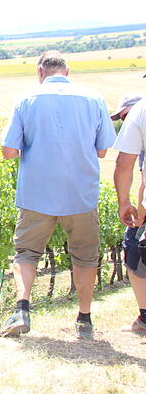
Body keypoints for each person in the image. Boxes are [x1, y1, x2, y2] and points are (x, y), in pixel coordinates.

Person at [0, 52, 116, 339]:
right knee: (86, 257)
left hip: (37, 194)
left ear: (40, 72)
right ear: (68, 71)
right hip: (80, 194)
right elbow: (102, 150)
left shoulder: (27, 100)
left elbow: (8, 151)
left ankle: (22, 309)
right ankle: (84, 319)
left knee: (26, 253)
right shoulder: (93, 99)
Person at [111, 93, 146, 334]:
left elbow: (125, 164)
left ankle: (144, 317)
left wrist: (127, 204)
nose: (123, 122)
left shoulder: (141, 111)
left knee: (133, 247)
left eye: (124, 117)